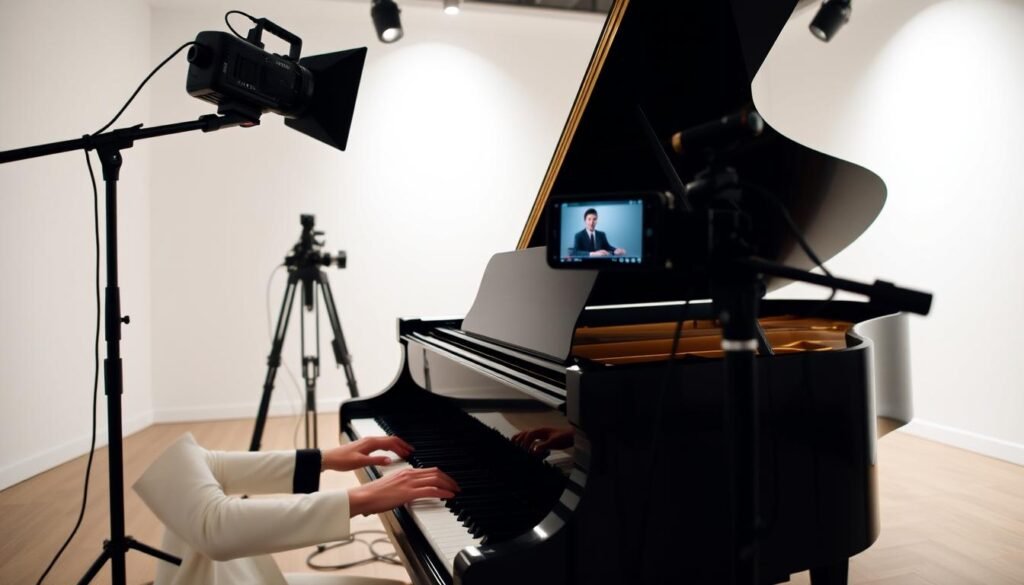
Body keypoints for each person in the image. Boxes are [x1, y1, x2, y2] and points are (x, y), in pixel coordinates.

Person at [133, 432, 459, 585]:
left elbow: (212, 464)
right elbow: (215, 529)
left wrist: (324, 459)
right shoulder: (174, 468)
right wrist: (363, 498)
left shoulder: (180, 462)